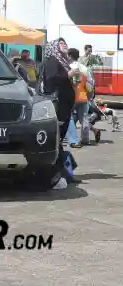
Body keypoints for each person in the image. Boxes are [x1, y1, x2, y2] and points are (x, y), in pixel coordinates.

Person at [40, 38, 82, 184]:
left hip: (63, 106)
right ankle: (60, 174)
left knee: (59, 142)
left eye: (65, 42)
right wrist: (68, 75)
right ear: (54, 47)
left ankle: (64, 173)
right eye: (61, 43)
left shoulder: (61, 61)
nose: (65, 44)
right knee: (57, 141)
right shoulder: (53, 59)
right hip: (57, 107)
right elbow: (51, 79)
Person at [68, 48, 91, 148]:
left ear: (69, 56)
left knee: (69, 117)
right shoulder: (84, 68)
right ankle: (85, 139)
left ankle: (73, 139)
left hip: (72, 96)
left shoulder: (69, 67)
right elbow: (89, 84)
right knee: (84, 118)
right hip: (83, 96)